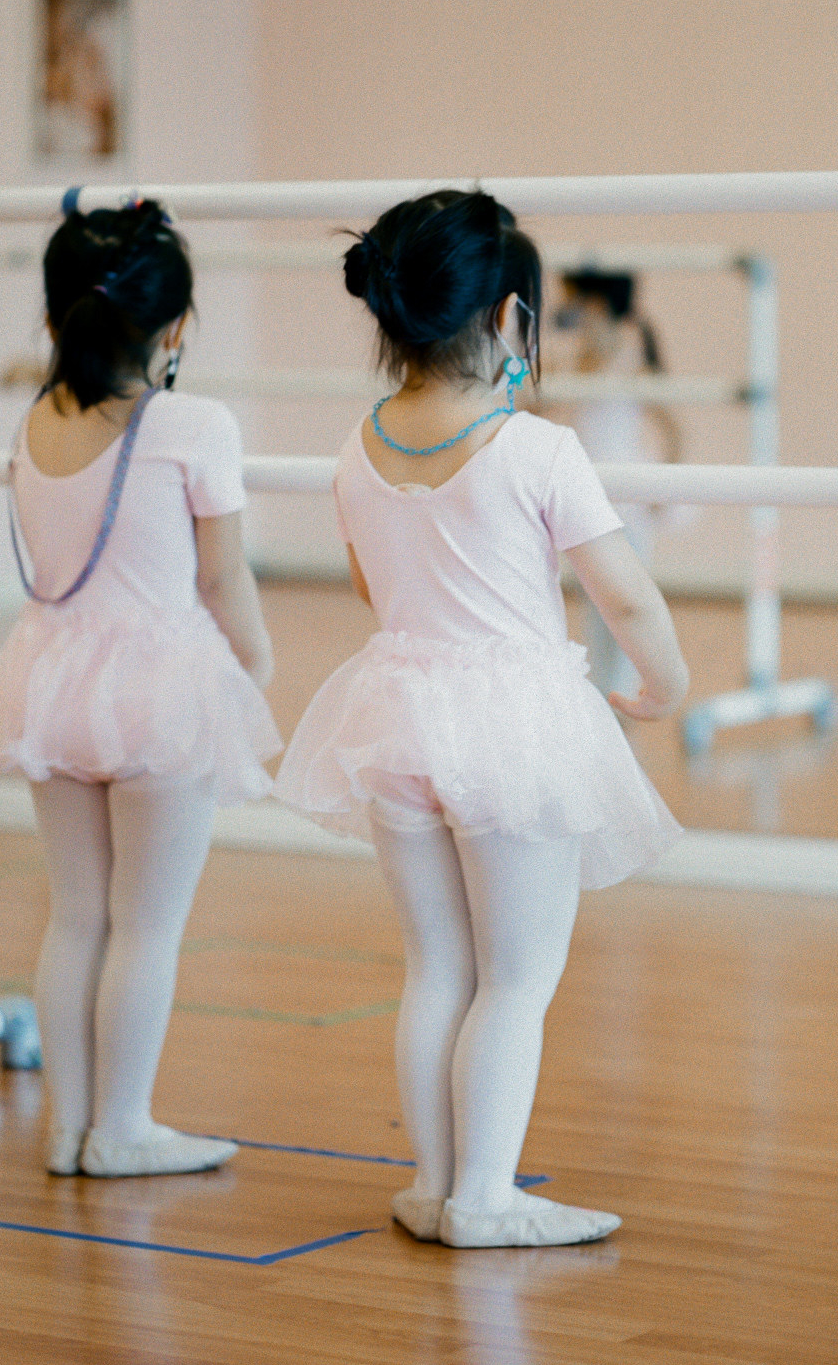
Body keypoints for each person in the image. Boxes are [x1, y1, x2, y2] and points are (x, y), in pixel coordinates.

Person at [276, 190, 688, 1249]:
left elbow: (376, 586)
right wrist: (666, 683)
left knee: (435, 967)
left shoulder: (354, 448)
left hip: (399, 711)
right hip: (512, 723)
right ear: (511, 318)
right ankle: (486, 1195)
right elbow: (625, 594)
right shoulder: (536, 451)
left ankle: (437, 1180)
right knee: (516, 975)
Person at [0, 200, 278, 1180]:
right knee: (148, 922)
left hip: (51, 677)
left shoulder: (33, 421)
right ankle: (122, 1126)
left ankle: (70, 1125)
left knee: (77, 913)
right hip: (160, 687)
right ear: (175, 328)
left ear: (57, 317)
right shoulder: (194, 423)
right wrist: (252, 665)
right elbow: (223, 578)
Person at [550, 267, 681, 696]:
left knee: (624, 598)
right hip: (585, 495)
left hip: (625, 498)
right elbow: (534, 411)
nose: (565, 315)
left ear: (596, 307)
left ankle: (623, 689)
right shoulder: (570, 361)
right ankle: (602, 691)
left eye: (572, 304)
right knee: (596, 600)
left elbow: (673, 430)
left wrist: (665, 489)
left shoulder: (632, 363)